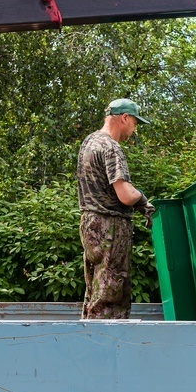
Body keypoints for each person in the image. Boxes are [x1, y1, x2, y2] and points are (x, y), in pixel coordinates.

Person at [77, 98, 155, 319]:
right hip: (110, 228)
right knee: (111, 295)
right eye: (134, 123)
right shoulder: (111, 147)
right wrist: (144, 201)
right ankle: (107, 349)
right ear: (124, 118)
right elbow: (125, 194)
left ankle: (86, 342)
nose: (134, 129)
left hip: (89, 224)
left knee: (94, 292)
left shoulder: (89, 143)